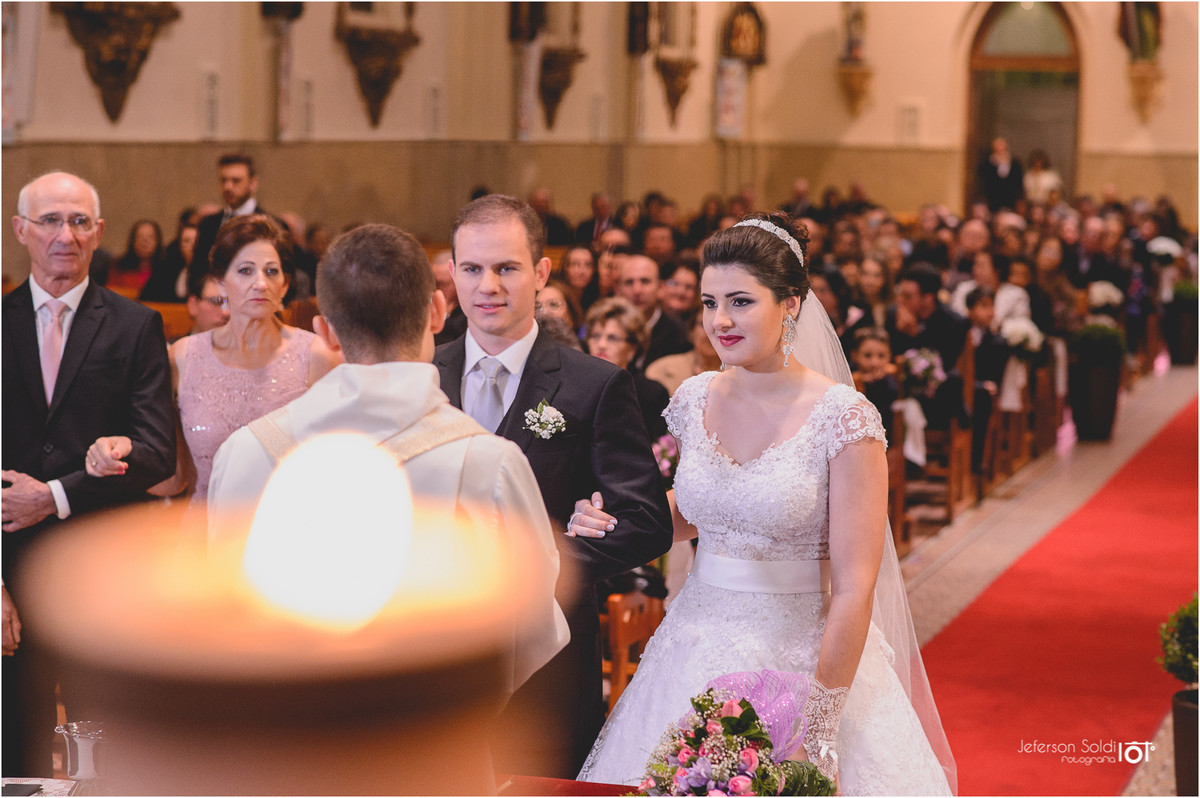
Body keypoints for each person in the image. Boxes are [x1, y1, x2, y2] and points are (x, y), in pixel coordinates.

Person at [574, 212, 955, 794]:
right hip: (693, 640)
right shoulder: (695, 397)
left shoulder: (844, 418)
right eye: (709, 303)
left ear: (791, 304)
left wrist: (819, 729)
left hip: (801, 656)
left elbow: (855, 587)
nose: (719, 321)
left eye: (741, 302)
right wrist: (617, 521)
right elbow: (702, 509)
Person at [207, 223, 568, 702]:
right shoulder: (490, 464)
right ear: (437, 310)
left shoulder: (243, 452)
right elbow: (533, 632)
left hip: (282, 732)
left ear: (324, 330)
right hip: (433, 731)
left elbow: (220, 617)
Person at [432, 194, 673, 778]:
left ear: (541, 273)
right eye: (472, 268)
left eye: (506, 268)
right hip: (434, 652)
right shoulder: (421, 378)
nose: (488, 285)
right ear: (452, 274)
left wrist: (542, 561)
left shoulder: (594, 384)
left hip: (549, 661)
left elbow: (646, 521)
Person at [2, 172, 176, 776]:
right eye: (49, 220)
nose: (65, 235)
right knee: (16, 748)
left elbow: (156, 453)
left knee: (103, 752)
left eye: (79, 222)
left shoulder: (135, 325)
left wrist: (54, 495)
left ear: (98, 233)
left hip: (101, 569)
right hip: (10, 570)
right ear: (20, 229)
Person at [88, 215, 338, 523]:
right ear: (221, 281)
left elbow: (337, 469)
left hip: (285, 533)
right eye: (245, 270)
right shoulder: (184, 357)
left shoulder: (317, 356)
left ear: (285, 284)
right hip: (203, 536)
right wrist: (122, 454)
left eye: (271, 271)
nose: (260, 283)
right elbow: (173, 478)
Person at [583, 296, 669, 440]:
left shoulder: (652, 394)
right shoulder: (577, 387)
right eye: (596, 336)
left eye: (612, 338)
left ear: (632, 349)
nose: (601, 344)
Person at [616, 253, 692, 372]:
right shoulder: (607, 330)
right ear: (618, 290)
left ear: (660, 288)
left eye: (645, 281)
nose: (637, 290)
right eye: (629, 282)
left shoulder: (679, 334)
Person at [107, 218, 164, 291]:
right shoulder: (118, 267)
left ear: (157, 241)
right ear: (133, 241)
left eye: (150, 237)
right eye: (140, 236)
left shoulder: (165, 270)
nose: (145, 242)